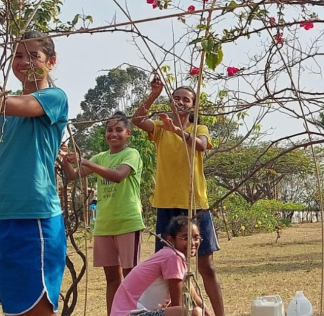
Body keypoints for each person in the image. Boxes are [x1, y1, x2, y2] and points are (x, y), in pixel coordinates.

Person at [132, 78, 224, 316]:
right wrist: (153, 94)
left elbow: (201, 146)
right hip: (166, 204)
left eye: (186, 99)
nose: (181, 102)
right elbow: (136, 121)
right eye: (176, 98)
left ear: (193, 107)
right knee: (170, 267)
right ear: (170, 103)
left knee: (206, 266)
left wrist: (178, 130)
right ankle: (181, 311)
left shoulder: (198, 129)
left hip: (195, 205)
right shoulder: (161, 128)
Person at [0, 30, 69, 316]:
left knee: (34, 309)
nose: (23, 62)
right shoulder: (7, 114)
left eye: (33, 56)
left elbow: (20, 105)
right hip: (4, 215)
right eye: (17, 55)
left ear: (51, 61)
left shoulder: (54, 97)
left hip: (34, 219)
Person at [63, 112, 144, 316]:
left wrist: (87, 162)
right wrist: (64, 157)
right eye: (109, 129)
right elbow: (73, 175)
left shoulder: (131, 154)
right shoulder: (101, 157)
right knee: (112, 278)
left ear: (128, 133)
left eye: (118, 130)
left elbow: (118, 176)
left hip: (127, 222)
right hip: (104, 225)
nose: (113, 134)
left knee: (131, 277)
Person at [111, 215, 210, 316]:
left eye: (196, 238)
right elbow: (178, 305)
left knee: (196, 311)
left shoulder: (171, 256)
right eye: (185, 238)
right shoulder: (173, 257)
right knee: (193, 313)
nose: (192, 243)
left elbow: (194, 295)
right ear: (170, 240)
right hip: (130, 313)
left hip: (135, 312)